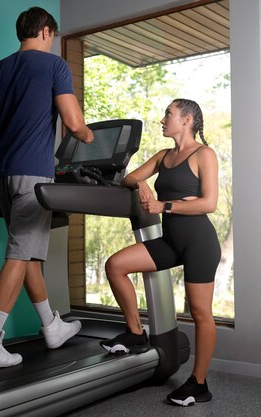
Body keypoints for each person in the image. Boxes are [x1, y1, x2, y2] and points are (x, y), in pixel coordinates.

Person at [0, 6, 94, 368]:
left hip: (3, 174)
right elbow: (74, 122)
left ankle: (51, 325)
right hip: (33, 174)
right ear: (46, 31)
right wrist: (88, 134)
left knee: (27, 249)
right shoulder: (54, 66)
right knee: (20, 254)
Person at [100, 99, 221, 405]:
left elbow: (209, 203)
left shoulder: (203, 155)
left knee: (200, 312)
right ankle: (135, 332)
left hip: (198, 241)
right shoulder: (164, 156)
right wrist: (140, 185)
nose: (162, 119)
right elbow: (129, 177)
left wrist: (164, 205)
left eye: (169, 114)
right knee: (116, 265)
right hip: (170, 241)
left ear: (187, 120)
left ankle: (199, 383)